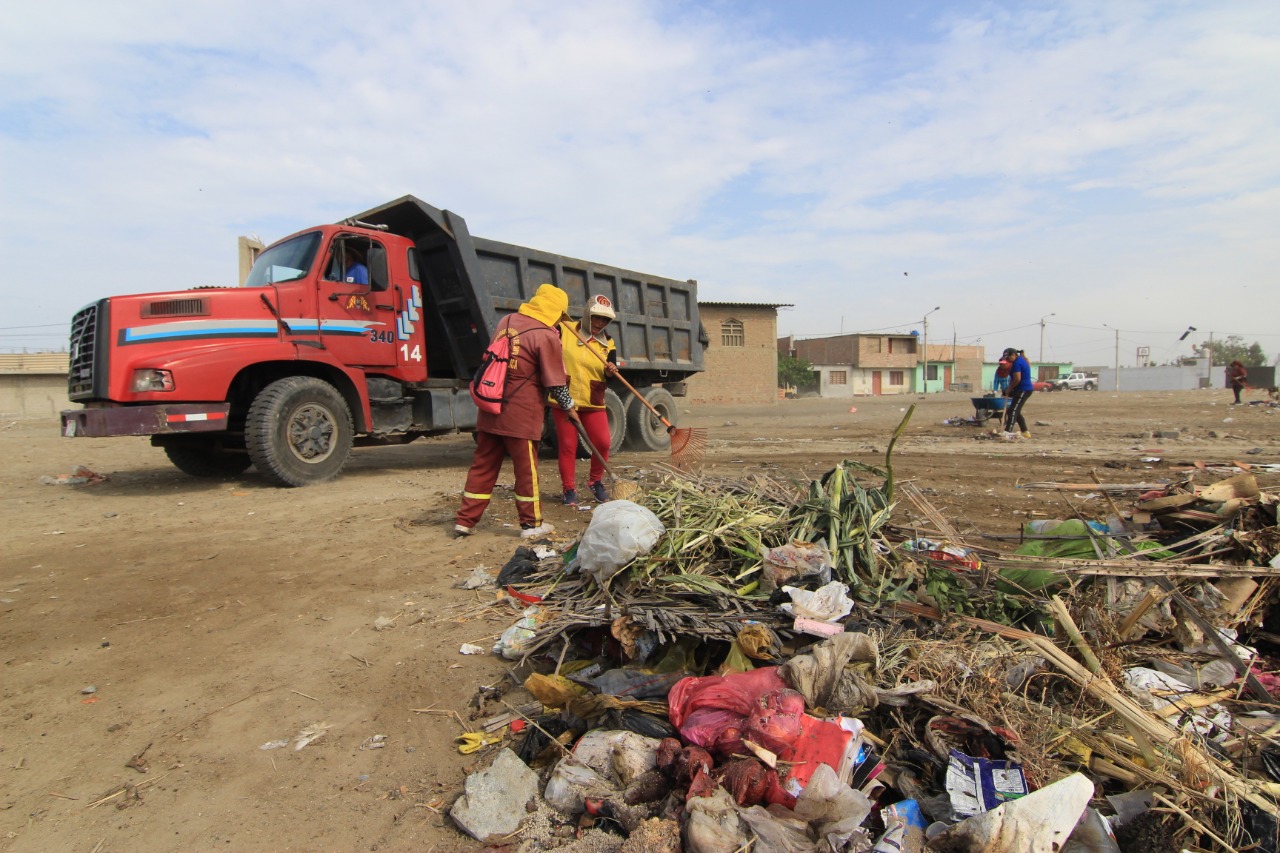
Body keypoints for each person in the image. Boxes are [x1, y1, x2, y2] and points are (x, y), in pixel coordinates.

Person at [454, 284, 580, 539]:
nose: (559, 320)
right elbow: (555, 382)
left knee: (483, 465)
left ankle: (465, 520)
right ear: (555, 309)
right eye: (560, 315)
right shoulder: (546, 335)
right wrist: (570, 407)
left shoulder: (507, 321)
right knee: (526, 471)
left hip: (491, 406)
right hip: (522, 413)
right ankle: (532, 524)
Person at [555, 294, 620, 505]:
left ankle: (595, 482)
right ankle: (569, 489)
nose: (600, 323)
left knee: (602, 442)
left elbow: (609, 373)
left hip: (593, 399)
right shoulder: (564, 329)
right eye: (596, 318)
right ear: (586, 314)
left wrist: (611, 370)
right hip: (565, 399)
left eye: (605, 320)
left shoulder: (608, 343)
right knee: (568, 445)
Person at [1001, 347, 1034, 438]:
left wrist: (1009, 389)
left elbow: (1017, 379)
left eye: (1008, 357)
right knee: (1016, 411)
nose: (1007, 360)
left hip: (1024, 389)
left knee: (1012, 411)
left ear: (1013, 355)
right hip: (1021, 389)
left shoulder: (1017, 363)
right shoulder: (1020, 360)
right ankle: (1025, 432)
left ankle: (1007, 431)